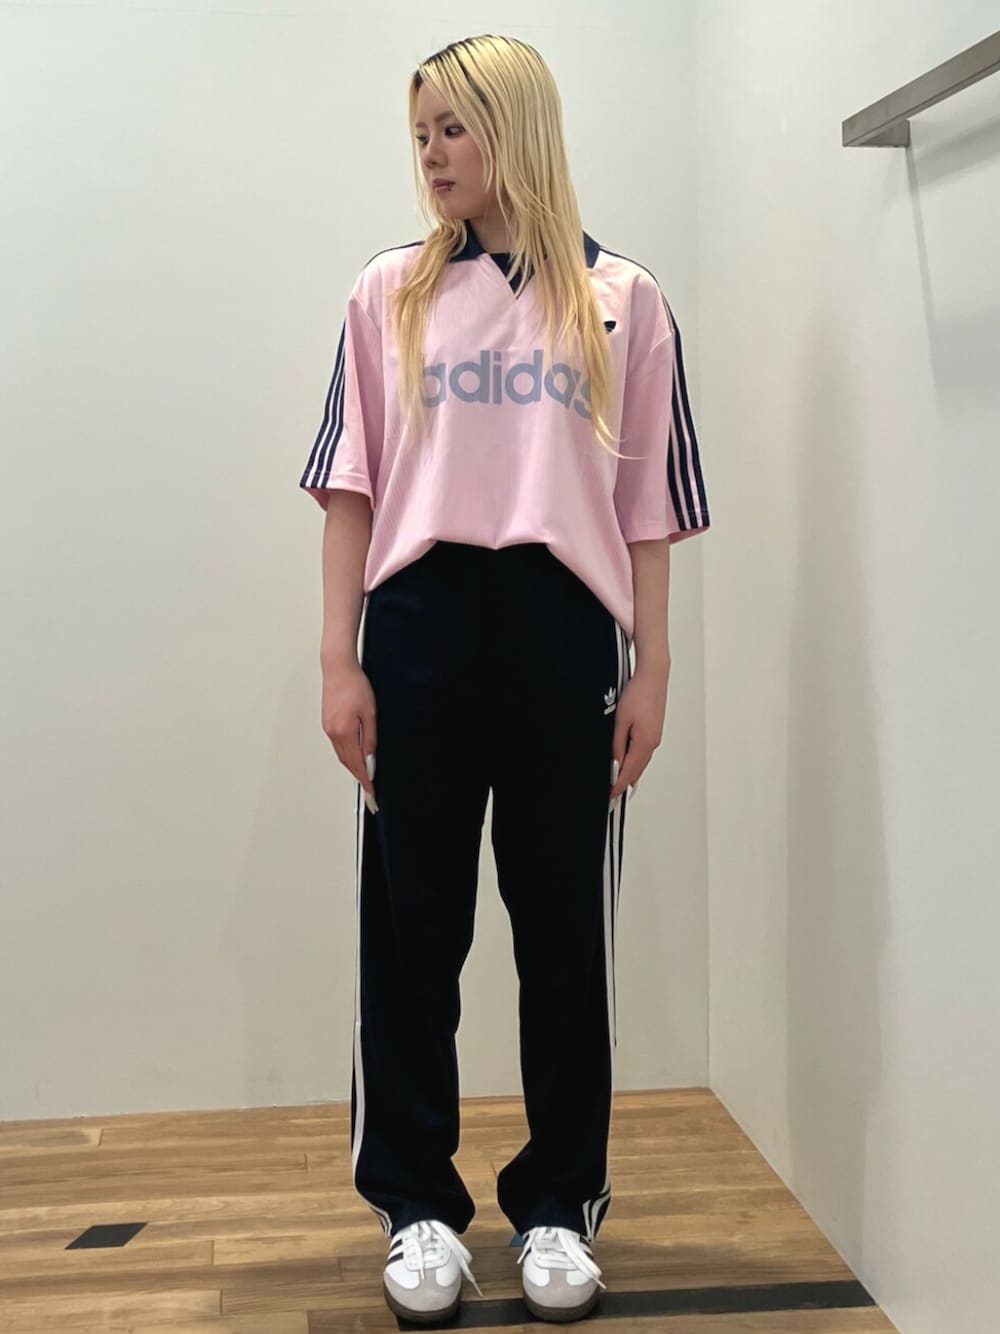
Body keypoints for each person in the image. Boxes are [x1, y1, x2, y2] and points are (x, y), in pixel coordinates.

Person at [298, 32, 710, 1326]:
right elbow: (352, 488)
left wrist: (652, 669)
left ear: (516, 127)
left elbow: (648, 510)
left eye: (454, 128)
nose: (431, 154)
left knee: (563, 938)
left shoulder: (623, 299)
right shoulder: (388, 292)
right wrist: (339, 658)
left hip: (563, 635)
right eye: (420, 132)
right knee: (411, 936)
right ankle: (415, 1203)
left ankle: (557, 1207)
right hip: (419, 629)